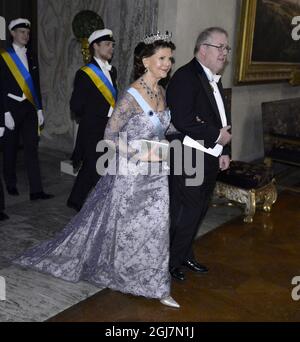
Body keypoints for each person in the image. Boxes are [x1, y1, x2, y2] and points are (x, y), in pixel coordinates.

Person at [14, 33, 180, 308]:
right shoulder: (131, 95)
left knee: (157, 228)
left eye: (170, 59)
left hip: (157, 175)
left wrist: (190, 130)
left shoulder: (161, 91)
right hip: (132, 175)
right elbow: (110, 136)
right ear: (145, 61)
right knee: (128, 229)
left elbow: (165, 127)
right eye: (162, 58)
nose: (167, 63)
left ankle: (157, 284)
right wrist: (141, 151)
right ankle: (126, 275)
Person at [166, 27, 232, 281]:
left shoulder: (215, 78)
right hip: (186, 156)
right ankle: (170, 262)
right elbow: (182, 120)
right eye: (220, 47)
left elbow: (221, 119)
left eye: (227, 48)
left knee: (200, 209)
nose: (224, 53)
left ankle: (184, 254)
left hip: (209, 156)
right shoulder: (185, 77)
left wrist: (224, 150)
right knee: (186, 211)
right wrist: (217, 137)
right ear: (203, 49)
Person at [0, 18, 53, 201]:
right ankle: (10, 182)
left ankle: (36, 190)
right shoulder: (4, 56)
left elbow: (35, 85)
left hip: (29, 108)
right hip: (11, 107)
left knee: (32, 148)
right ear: (13, 33)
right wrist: (4, 113)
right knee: (10, 148)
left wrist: (39, 109)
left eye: (28, 33)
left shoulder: (31, 56)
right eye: (22, 32)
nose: (26, 35)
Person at [67, 29, 118, 212]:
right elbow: (76, 105)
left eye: (112, 45)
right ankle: (106, 206)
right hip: (92, 127)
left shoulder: (113, 72)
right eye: (107, 45)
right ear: (95, 46)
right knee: (98, 166)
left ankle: (75, 200)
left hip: (108, 126)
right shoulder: (85, 73)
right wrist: (95, 115)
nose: (111, 48)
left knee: (92, 165)